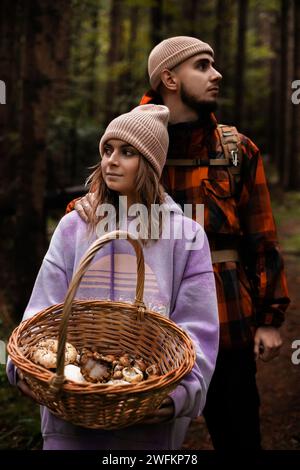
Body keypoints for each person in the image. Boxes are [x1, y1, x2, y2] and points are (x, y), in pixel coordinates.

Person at [72, 37, 290, 450]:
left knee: (238, 431)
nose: (217, 74)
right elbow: (97, 202)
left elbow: (262, 239)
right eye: (203, 66)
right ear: (169, 78)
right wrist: (84, 203)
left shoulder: (236, 150)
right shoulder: (135, 144)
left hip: (227, 319)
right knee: (140, 437)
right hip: (149, 320)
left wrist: (269, 318)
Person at [7, 104, 219, 450]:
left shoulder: (187, 236)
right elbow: (42, 309)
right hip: (69, 418)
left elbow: (199, 329)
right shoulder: (75, 226)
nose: (111, 160)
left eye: (127, 152)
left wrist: (181, 395)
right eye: (107, 150)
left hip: (146, 422)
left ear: (150, 163)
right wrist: (22, 368)